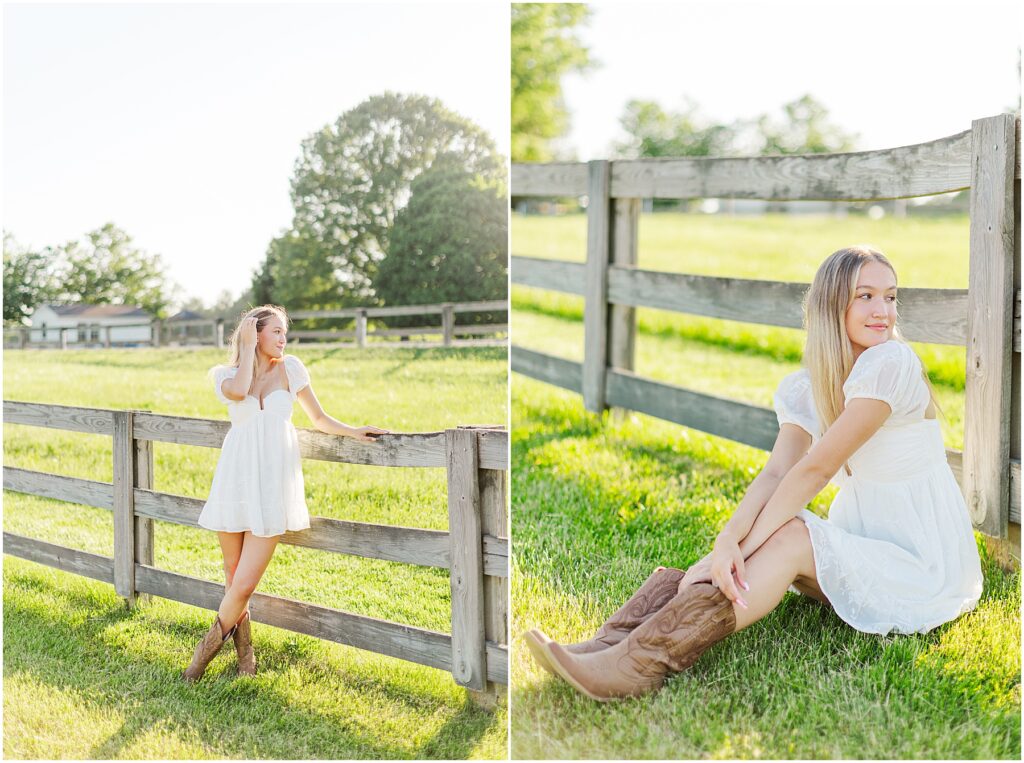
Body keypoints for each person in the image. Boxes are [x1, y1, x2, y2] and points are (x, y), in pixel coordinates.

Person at [524, 245, 984, 701]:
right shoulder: (811, 384)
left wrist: (741, 548)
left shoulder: (891, 364)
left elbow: (815, 470)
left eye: (890, 296)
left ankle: (639, 664)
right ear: (831, 304)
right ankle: (607, 645)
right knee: (778, 535)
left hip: (923, 562)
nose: (882, 309)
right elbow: (777, 472)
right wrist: (726, 541)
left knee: (789, 536)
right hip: (866, 540)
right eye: (865, 296)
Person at [182, 305, 389, 682]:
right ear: (254, 333)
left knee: (244, 583)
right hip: (235, 480)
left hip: (273, 485)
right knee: (232, 577)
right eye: (276, 331)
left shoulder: (292, 369)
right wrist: (246, 350)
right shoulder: (225, 376)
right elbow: (241, 390)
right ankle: (246, 660)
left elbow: (319, 419)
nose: (283, 338)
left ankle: (198, 662)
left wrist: (354, 431)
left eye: (284, 332)